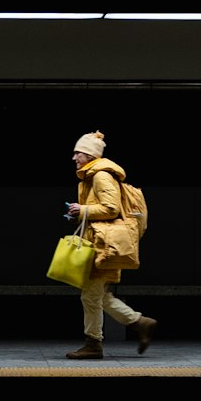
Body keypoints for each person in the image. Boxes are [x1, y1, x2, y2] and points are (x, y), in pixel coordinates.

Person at [64, 130, 156, 360]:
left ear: (90, 155)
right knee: (98, 295)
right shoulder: (91, 176)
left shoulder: (100, 176)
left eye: (78, 153)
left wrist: (83, 209)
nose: (74, 158)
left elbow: (111, 209)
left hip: (104, 245)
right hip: (98, 242)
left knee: (90, 296)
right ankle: (139, 322)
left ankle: (93, 344)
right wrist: (79, 213)